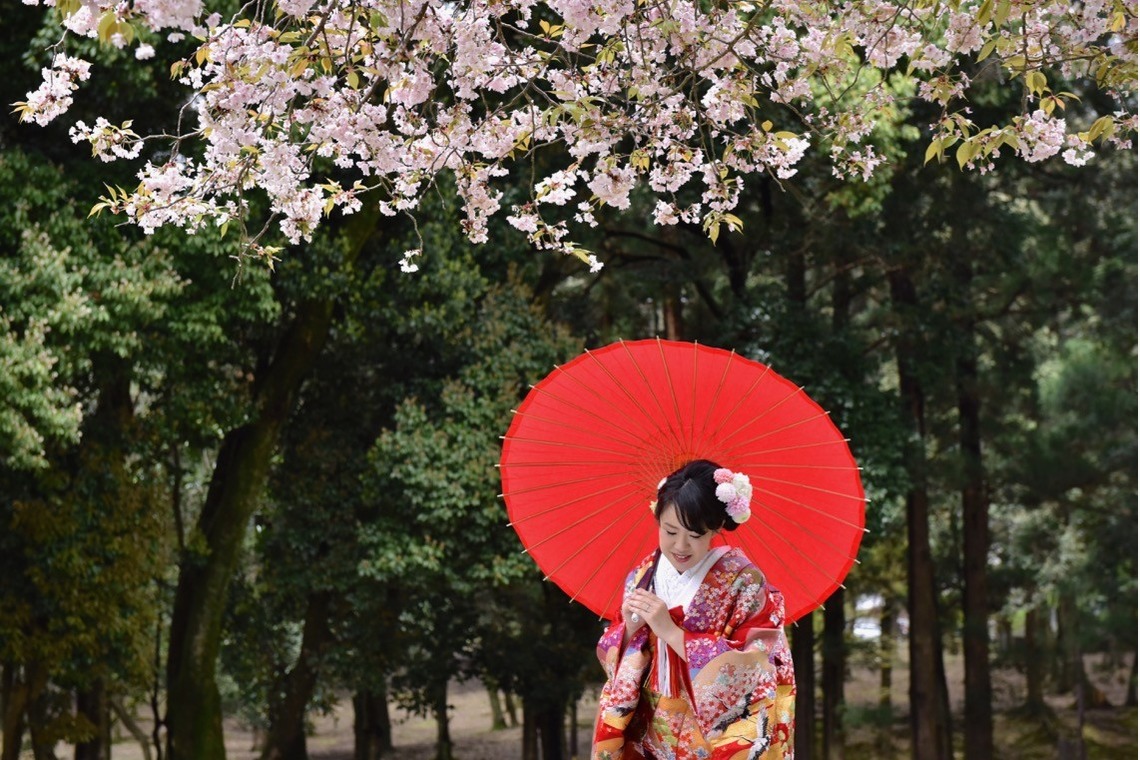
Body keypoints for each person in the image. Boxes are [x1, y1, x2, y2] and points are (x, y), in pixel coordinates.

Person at [591, 459, 795, 760]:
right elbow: (615, 658)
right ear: (657, 517)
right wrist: (630, 630)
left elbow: (755, 668)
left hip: (711, 737)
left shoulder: (745, 582)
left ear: (715, 528)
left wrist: (672, 633)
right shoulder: (643, 574)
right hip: (648, 735)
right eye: (670, 531)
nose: (680, 546)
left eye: (695, 535)